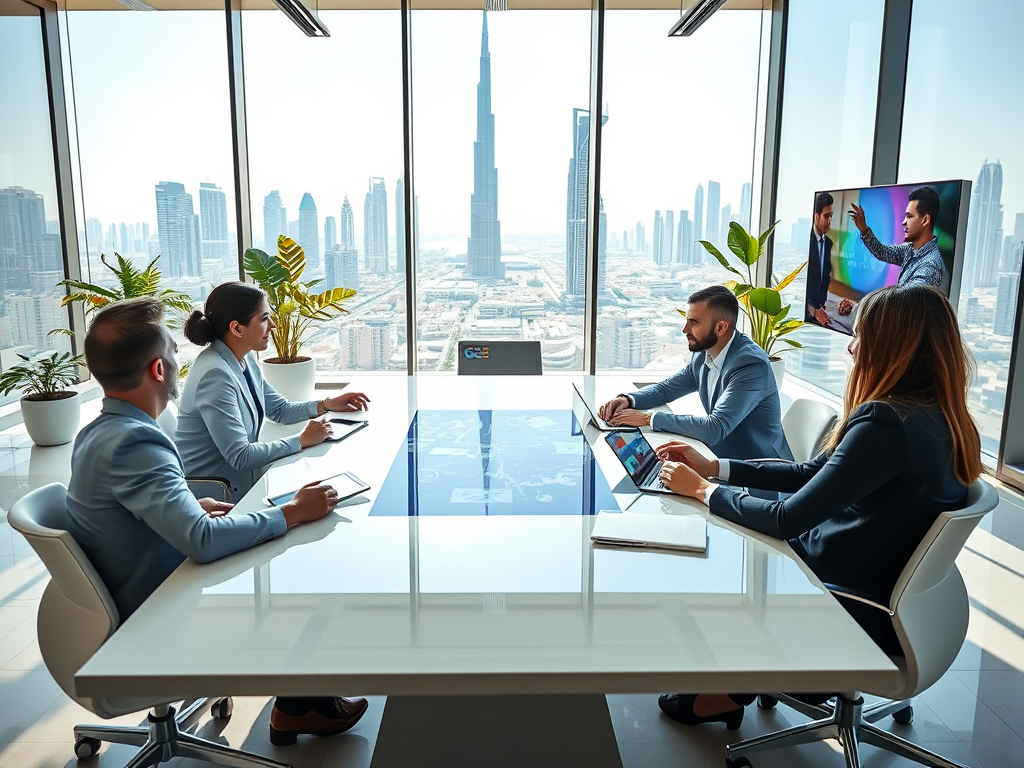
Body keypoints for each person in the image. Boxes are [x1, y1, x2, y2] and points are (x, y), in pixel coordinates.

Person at [652, 284, 982, 729]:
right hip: (895, 601)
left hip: (848, 607)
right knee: (732, 531)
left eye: (860, 334)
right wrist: (717, 468)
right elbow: (810, 473)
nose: (851, 346)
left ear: (891, 345)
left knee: (719, 555)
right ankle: (732, 684)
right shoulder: (939, 417)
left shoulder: (885, 423)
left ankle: (729, 689)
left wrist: (701, 491)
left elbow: (789, 518)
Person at [66, 298, 368, 745]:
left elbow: (128, 512)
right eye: (172, 353)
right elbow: (203, 543)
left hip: (140, 586)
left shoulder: (100, 431)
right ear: (157, 370)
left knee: (285, 548)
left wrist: (188, 502)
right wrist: (291, 512)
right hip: (155, 613)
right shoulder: (137, 444)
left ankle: (298, 702)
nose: (179, 360)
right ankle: (299, 705)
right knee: (305, 578)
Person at [176, 281, 369, 503]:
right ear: (237, 328)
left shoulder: (243, 356)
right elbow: (240, 456)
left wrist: (327, 404)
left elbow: (279, 409)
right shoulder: (214, 375)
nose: (274, 325)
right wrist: (302, 440)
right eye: (264, 318)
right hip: (219, 499)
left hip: (246, 485)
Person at [598, 285, 792, 468]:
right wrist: (627, 399)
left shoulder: (750, 364)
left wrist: (648, 419)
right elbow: (665, 389)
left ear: (720, 328)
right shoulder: (703, 353)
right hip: (717, 458)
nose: (685, 330)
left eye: (694, 322)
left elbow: (714, 428)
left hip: (758, 471)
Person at [849, 185, 946, 289]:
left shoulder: (931, 265)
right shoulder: (910, 249)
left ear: (925, 220)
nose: (904, 222)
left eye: (909, 216)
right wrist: (864, 230)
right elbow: (882, 252)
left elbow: (908, 297)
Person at [806, 191, 834, 326]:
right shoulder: (806, 241)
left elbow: (824, 278)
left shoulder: (828, 243)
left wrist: (821, 308)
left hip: (820, 315)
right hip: (806, 315)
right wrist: (813, 312)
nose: (829, 221)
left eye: (831, 216)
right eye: (826, 216)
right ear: (816, 216)